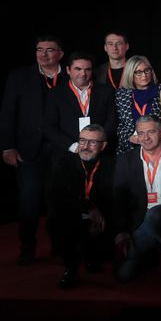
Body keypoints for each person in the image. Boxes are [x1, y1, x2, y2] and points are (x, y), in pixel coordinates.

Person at [1, 35, 67, 264]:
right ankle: (27, 248)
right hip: (29, 149)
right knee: (29, 201)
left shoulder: (72, 74)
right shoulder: (19, 76)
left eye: (50, 50)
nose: (43, 54)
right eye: (39, 49)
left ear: (60, 54)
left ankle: (60, 246)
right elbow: (8, 113)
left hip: (62, 149)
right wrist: (7, 146)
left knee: (58, 201)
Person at [113, 115, 161, 281]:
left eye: (151, 132)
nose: (145, 138)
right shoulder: (126, 160)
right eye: (141, 133)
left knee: (157, 214)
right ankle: (156, 251)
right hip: (141, 222)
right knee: (124, 275)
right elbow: (119, 200)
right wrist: (121, 231)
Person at [47, 124, 115, 289]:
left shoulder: (112, 164)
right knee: (57, 220)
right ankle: (71, 268)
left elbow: (114, 197)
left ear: (103, 145)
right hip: (74, 212)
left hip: (102, 217)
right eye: (82, 141)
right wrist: (89, 209)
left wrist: (100, 215)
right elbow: (57, 196)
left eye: (92, 142)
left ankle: (93, 256)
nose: (85, 146)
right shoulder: (64, 163)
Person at [44, 52, 117, 155]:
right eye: (78, 69)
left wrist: (98, 142)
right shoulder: (56, 93)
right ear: (68, 70)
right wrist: (73, 147)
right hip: (67, 153)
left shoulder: (106, 91)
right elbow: (49, 126)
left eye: (87, 69)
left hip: (100, 152)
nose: (83, 74)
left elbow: (112, 121)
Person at [114, 55, 161, 155]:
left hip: (158, 145)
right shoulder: (121, 95)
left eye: (147, 70)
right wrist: (129, 137)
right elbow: (118, 123)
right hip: (130, 148)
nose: (144, 75)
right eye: (138, 72)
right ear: (130, 74)